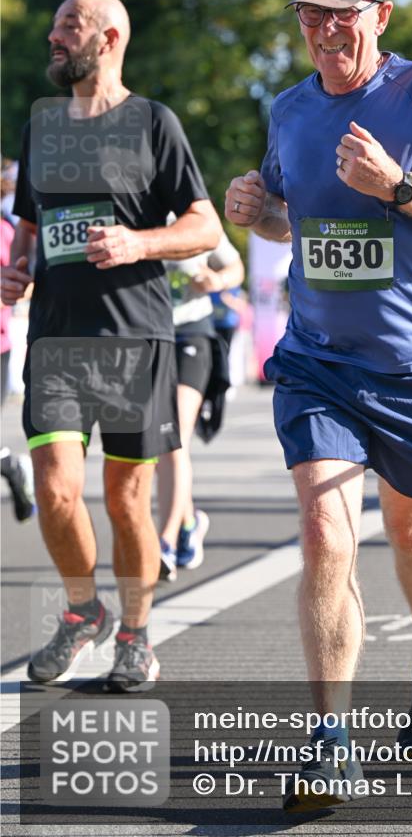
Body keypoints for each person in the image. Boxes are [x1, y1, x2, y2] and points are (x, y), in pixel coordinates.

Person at [225, 0, 412, 812]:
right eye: (311, 14)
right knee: (323, 530)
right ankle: (329, 743)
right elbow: (290, 216)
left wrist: (400, 187)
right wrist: (257, 211)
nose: (324, 30)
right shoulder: (289, 109)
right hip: (317, 361)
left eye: (342, 14)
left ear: (379, 18)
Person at [0, 0, 222, 690]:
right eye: (56, 25)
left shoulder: (153, 123)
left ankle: (134, 632)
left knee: (127, 500)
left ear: (110, 37)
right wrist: (18, 269)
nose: (53, 36)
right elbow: (31, 225)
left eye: (69, 26)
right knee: (57, 489)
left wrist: (139, 242)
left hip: (136, 338)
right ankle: (80, 611)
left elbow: (205, 227)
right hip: (57, 341)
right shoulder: (41, 126)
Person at [156, 227, 244, 581]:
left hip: (192, 333)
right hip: (147, 336)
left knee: (173, 435)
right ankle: (188, 522)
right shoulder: (131, 215)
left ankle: (165, 543)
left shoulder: (195, 218)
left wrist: (217, 280)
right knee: (157, 443)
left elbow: (235, 268)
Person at [1, 213, 36, 522]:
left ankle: (10, 465)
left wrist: (9, 290)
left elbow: (28, 281)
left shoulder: (4, 231)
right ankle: (8, 463)